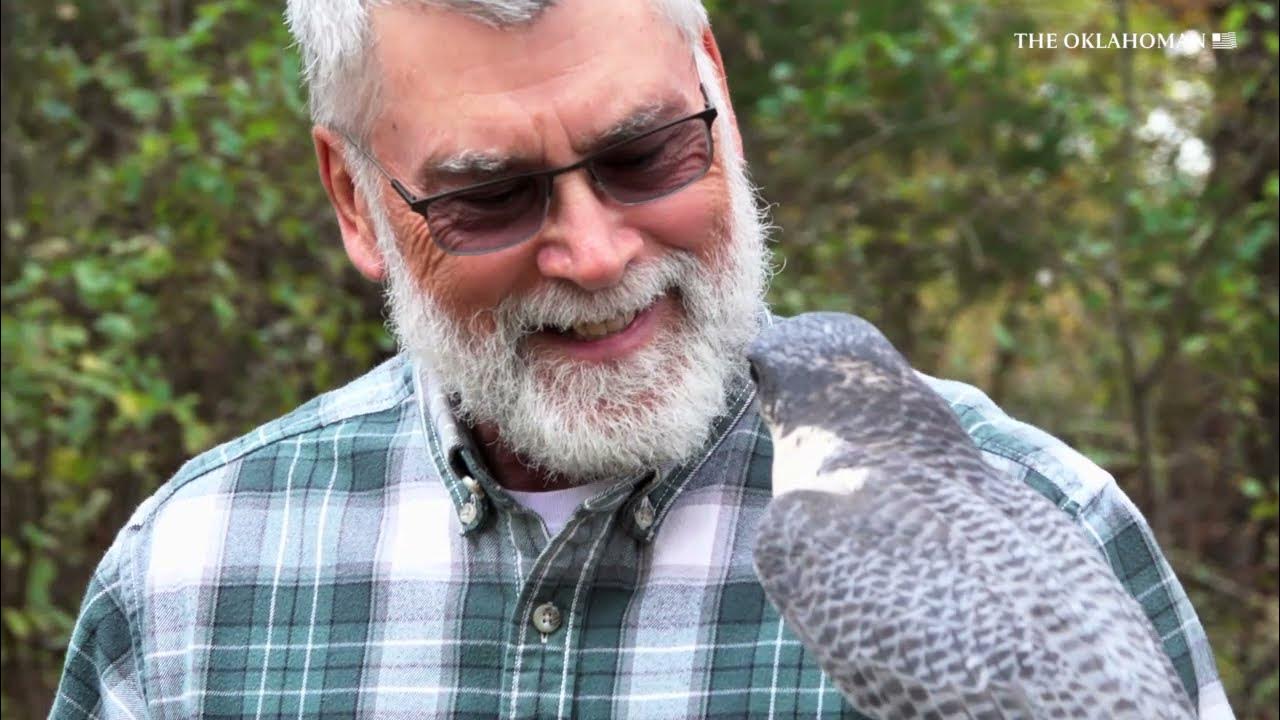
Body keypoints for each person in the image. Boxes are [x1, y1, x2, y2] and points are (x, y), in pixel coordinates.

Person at [51, 1, 1232, 718]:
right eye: (490, 195)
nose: (594, 250)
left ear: (713, 83)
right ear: (356, 204)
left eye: (644, 152)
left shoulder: (1043, 512)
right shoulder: (187, 583)